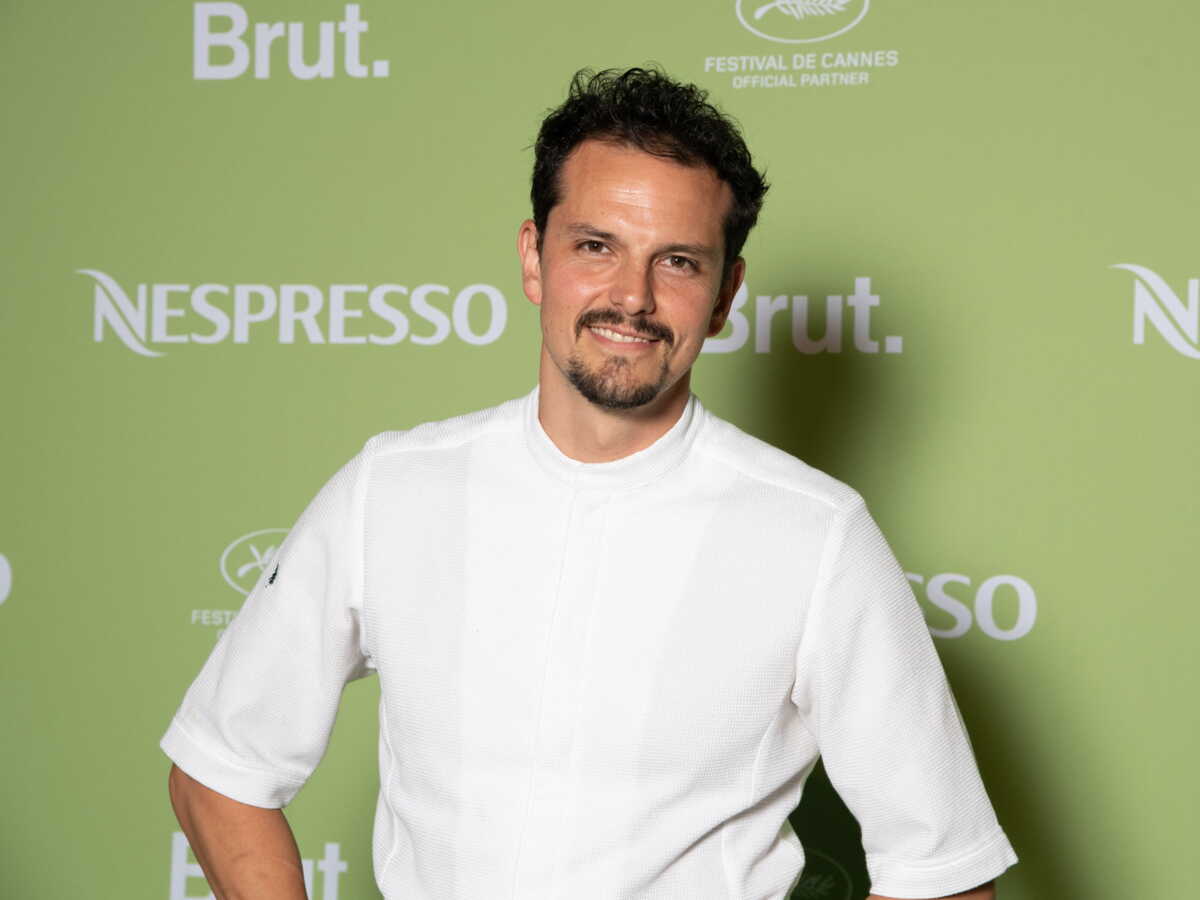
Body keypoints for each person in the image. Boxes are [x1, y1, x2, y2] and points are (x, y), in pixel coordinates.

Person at [162, 67, 1018, 900]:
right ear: (535, 258)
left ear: (725, 295)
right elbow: (217, 768)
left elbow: (944, 872)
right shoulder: (391, 490)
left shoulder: (817, 535)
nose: (631, 298)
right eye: (596, 246)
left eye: (677, 261)